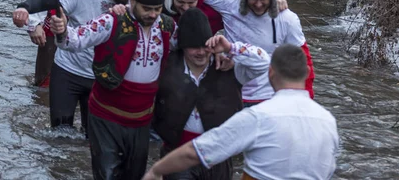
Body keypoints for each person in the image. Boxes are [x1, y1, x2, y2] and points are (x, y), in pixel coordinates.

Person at [142, 45, 339, 180]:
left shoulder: (259, 117)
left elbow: (197, 152)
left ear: (270, 72)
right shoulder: (328, 121)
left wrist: (156, 170)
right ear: (306, 72)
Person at [48, 0, 177, 180]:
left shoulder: (167, 27)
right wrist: (63, 30)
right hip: (106, 117)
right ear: (132, 1)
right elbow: (75, 41)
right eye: (147, 9)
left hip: (141, 120)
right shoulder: (111, 20)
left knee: (134, 175)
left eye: (158, 8)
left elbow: (190, 48)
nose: (153, 14)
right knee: (106, 175)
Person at [13, 0, 143, 134]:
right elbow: (46, 0)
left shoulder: (134, 4)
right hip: (67, 72)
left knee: (92, 136)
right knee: (60, 134)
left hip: (101, 79)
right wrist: (23, 8)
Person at [152, 8, 270, 180]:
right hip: (177, 154)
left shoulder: (231, 67)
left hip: (219, 155)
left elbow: (264, 62)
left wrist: (230, 48)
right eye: (193, 47)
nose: (200, 52)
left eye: (204, 46)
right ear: (183, 46)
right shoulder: (165, 64)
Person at [202, 0, 315, 106]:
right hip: (229, 91)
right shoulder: (229, 1)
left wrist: (306, 102)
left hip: (267, 97)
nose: (258, 4)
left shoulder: (287, 19)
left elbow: (303, 59)